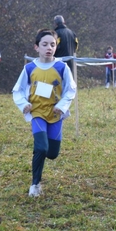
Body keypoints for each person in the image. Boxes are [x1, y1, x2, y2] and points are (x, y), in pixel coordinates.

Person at [12, 29, 77, 197]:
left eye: (52, 44)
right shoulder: (29, 68)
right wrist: (24, 104)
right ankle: (35, 184)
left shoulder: (62, 67)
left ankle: (41, 150)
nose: (49, 48)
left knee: (52, 153)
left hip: (55, 114)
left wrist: (62, 106)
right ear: (36, 47)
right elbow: (17, 91)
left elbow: (71, 90)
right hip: (37, 112)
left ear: (56, 47)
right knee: (41, 147)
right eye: (45, 44)